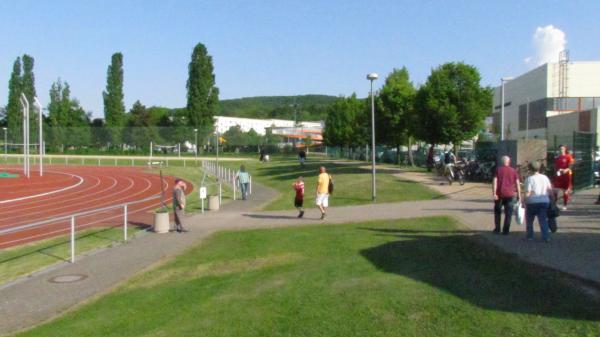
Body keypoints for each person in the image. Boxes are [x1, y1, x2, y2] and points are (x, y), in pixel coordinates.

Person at [524, 161, 554, 242]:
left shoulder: (529, 179)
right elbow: (550, 190)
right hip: (544, 201)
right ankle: (546, 237)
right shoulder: (545, 178)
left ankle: (529, 236)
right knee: (543, 220)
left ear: (530, 169)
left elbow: (528, 192)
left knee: (529, 220)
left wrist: (524, 201)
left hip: (532, 202)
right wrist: (552, 199)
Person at [492, 155, 521, 235]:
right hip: (510, 195)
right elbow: (517, 184)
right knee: (508, 213)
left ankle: (497, 229)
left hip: (499, 194)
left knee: (498, 212)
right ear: (509, 162)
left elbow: (495, 182)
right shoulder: (513, 171)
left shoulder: (498, 170)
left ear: (502, 162)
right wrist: (519, 195)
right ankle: (506, 230)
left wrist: (494, 193)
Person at [553, 144, 574, 210]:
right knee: (555, 190)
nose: (561, 150)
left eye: (562, 149)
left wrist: (566, 169)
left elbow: (571, 165)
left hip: (566, 176)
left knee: (565, 191)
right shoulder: (557, 158)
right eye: (560, 149)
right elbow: (555, 167)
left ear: (565, 149)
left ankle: (565, 205)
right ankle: (554, 205)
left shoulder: (568, 156)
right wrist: (557, 172)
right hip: (559, 176)